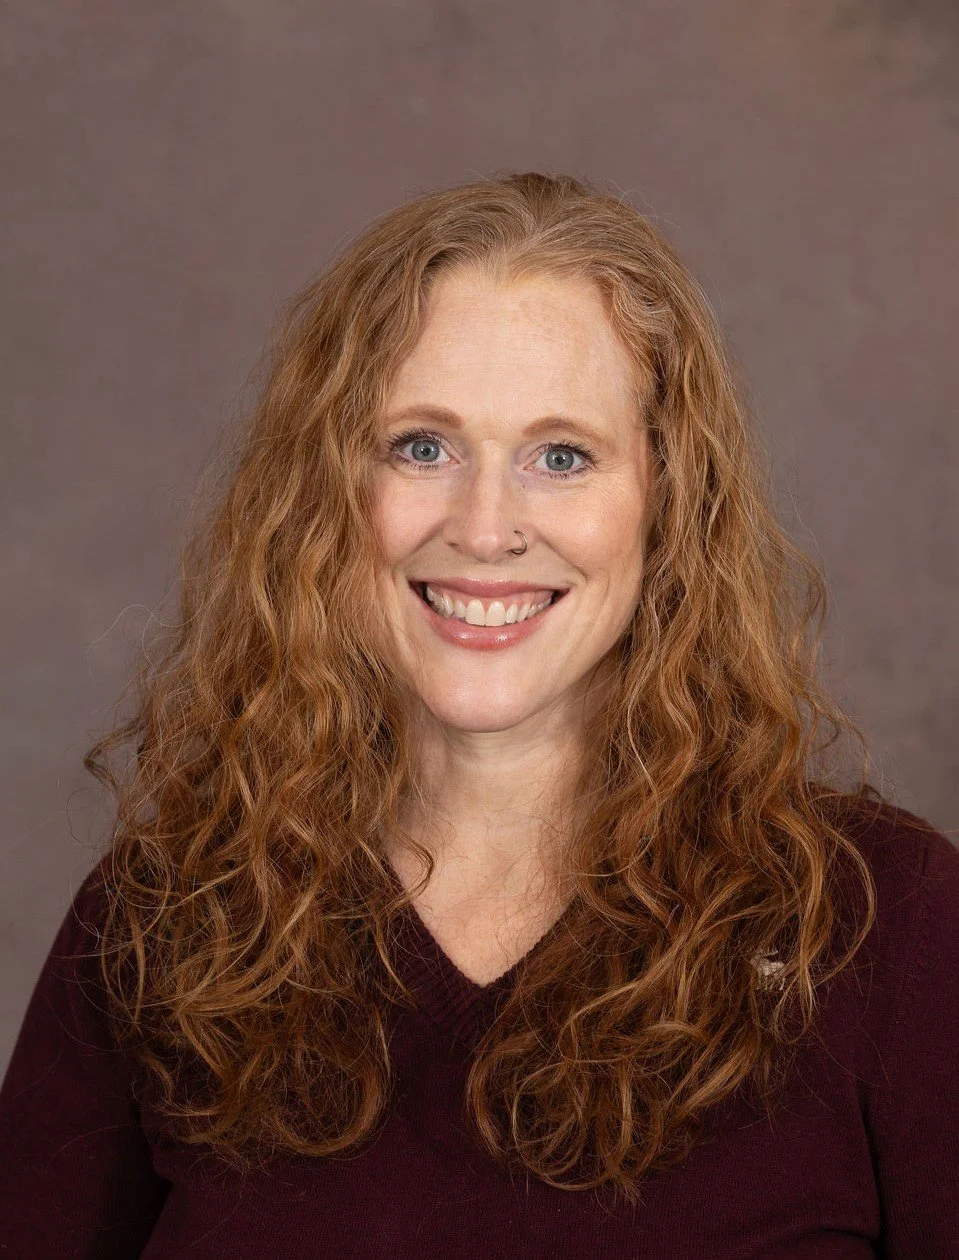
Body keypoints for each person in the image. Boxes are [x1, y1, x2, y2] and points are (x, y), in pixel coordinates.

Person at [1, 171, 956, 1259]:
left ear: (667, 500)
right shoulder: (164, 926)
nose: (485, 525)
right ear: (325, 490)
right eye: (422, 446)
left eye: (560, 456)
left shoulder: (885, 929)